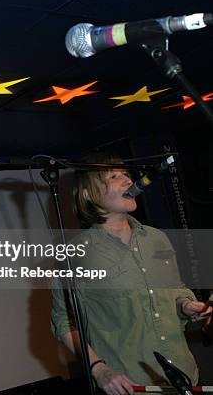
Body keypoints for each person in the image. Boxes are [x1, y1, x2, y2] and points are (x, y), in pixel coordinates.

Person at [51, 154, 212, 395]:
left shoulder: (157, 238)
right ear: (87, 194)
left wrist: (188, 305)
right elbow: (64, 323)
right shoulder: (75, 254)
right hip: (131, 387)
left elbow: (175, 292)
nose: (128, 181)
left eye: (126, 175)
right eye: (114, 176)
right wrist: (98, 369)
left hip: (185, 377)